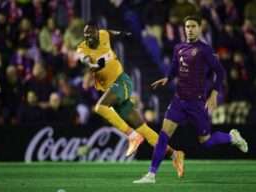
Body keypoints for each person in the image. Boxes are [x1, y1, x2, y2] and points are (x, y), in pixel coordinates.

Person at [133, 15, 248, 184]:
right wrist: (167, 78)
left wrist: (214, 93)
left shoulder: (205, 50)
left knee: (206, 142)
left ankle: (232, 138)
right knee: (163, 137)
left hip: (196, 103)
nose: (190, 29)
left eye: (193, 26)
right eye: (187, 26)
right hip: (179, 101)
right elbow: (174, 66)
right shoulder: (179, 47)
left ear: (200, 28)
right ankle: (151, 175)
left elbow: (220, 72)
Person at [76, 22, 185, 177]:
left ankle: (132, 136)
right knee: (143, 129)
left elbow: (110, 32)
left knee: (100, 107)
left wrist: (123, 33)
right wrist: (94, 65)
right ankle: (174, 154)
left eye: (91, 33)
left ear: (97, 33)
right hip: (112, 89)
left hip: (121, 82)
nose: (88, 36)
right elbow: (85, 60)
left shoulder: (103, 35)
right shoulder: (82, 48)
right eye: (85, 33)